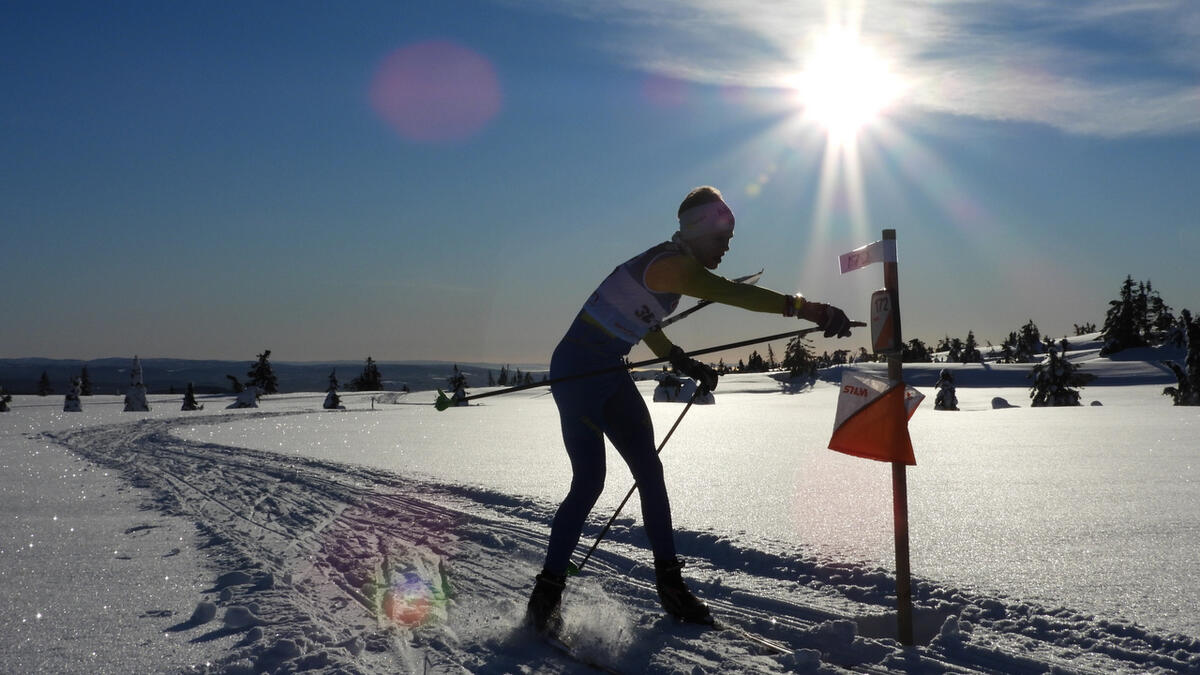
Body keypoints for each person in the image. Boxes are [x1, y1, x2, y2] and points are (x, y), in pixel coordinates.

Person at [526, 186, 852, 633]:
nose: (727, 247)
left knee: (649, 471)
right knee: (589, 483)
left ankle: (670, 586)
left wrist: (679, 359)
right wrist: (809, 309)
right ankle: (546, 593)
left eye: (730, 238)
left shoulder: (670, 265)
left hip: (608, 369)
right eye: (721, 238)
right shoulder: (674, 265)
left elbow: (643, 322)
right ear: (697, 231)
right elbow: (731, 294)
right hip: (577, 372)